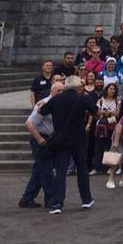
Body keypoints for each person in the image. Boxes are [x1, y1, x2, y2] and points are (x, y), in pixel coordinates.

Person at [39, 75, 98, 214]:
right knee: (82, 169)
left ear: (65, 86)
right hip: (78, 138)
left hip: (61, 138)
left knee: (61, 171)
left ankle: (57, 203)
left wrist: (42, 105)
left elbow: (41, 111)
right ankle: (86, 199)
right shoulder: (82, 98)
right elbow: (95, 111)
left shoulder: (56, 99)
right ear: (78, 87)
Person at [19, 81, 64, 209]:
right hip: (41, 138)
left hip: (51, 139)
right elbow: (29, 123)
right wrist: (39, 139)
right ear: (51, 91)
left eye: (62, 91)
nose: (60, 93)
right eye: (58, 91)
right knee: (46, 170)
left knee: (39, 169)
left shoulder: (60, 104)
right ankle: (50, 199)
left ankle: (27, 198)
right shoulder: (44, 104)